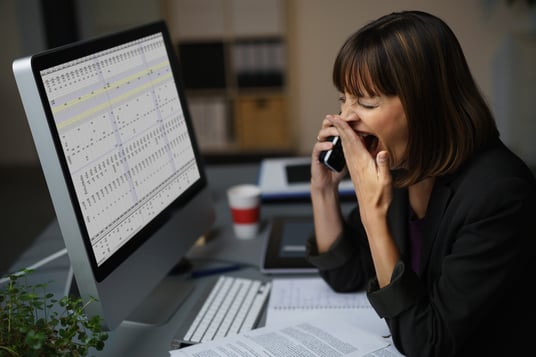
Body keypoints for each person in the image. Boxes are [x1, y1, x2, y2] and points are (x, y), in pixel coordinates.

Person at [307, 10, 536, 357]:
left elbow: (428, 343)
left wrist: (373, 214)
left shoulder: (499, 195)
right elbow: (345, 273)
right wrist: (323, 190)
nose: (346, 118)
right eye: (344, 99)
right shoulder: (403, 165)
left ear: (425, 106)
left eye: (366, 102)